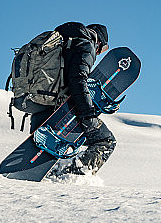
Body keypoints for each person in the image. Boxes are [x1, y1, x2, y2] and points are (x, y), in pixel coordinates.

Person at [30, 21, 115, 176]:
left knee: (46, 154)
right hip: (61, 111)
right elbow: (78, 80)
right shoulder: (85, 45)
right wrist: (88, 115)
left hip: (39, 106)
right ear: (99, 42)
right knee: (106, 141)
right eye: (101, 50)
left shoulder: (61, 41)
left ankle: (52, 172)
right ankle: (71, 176)